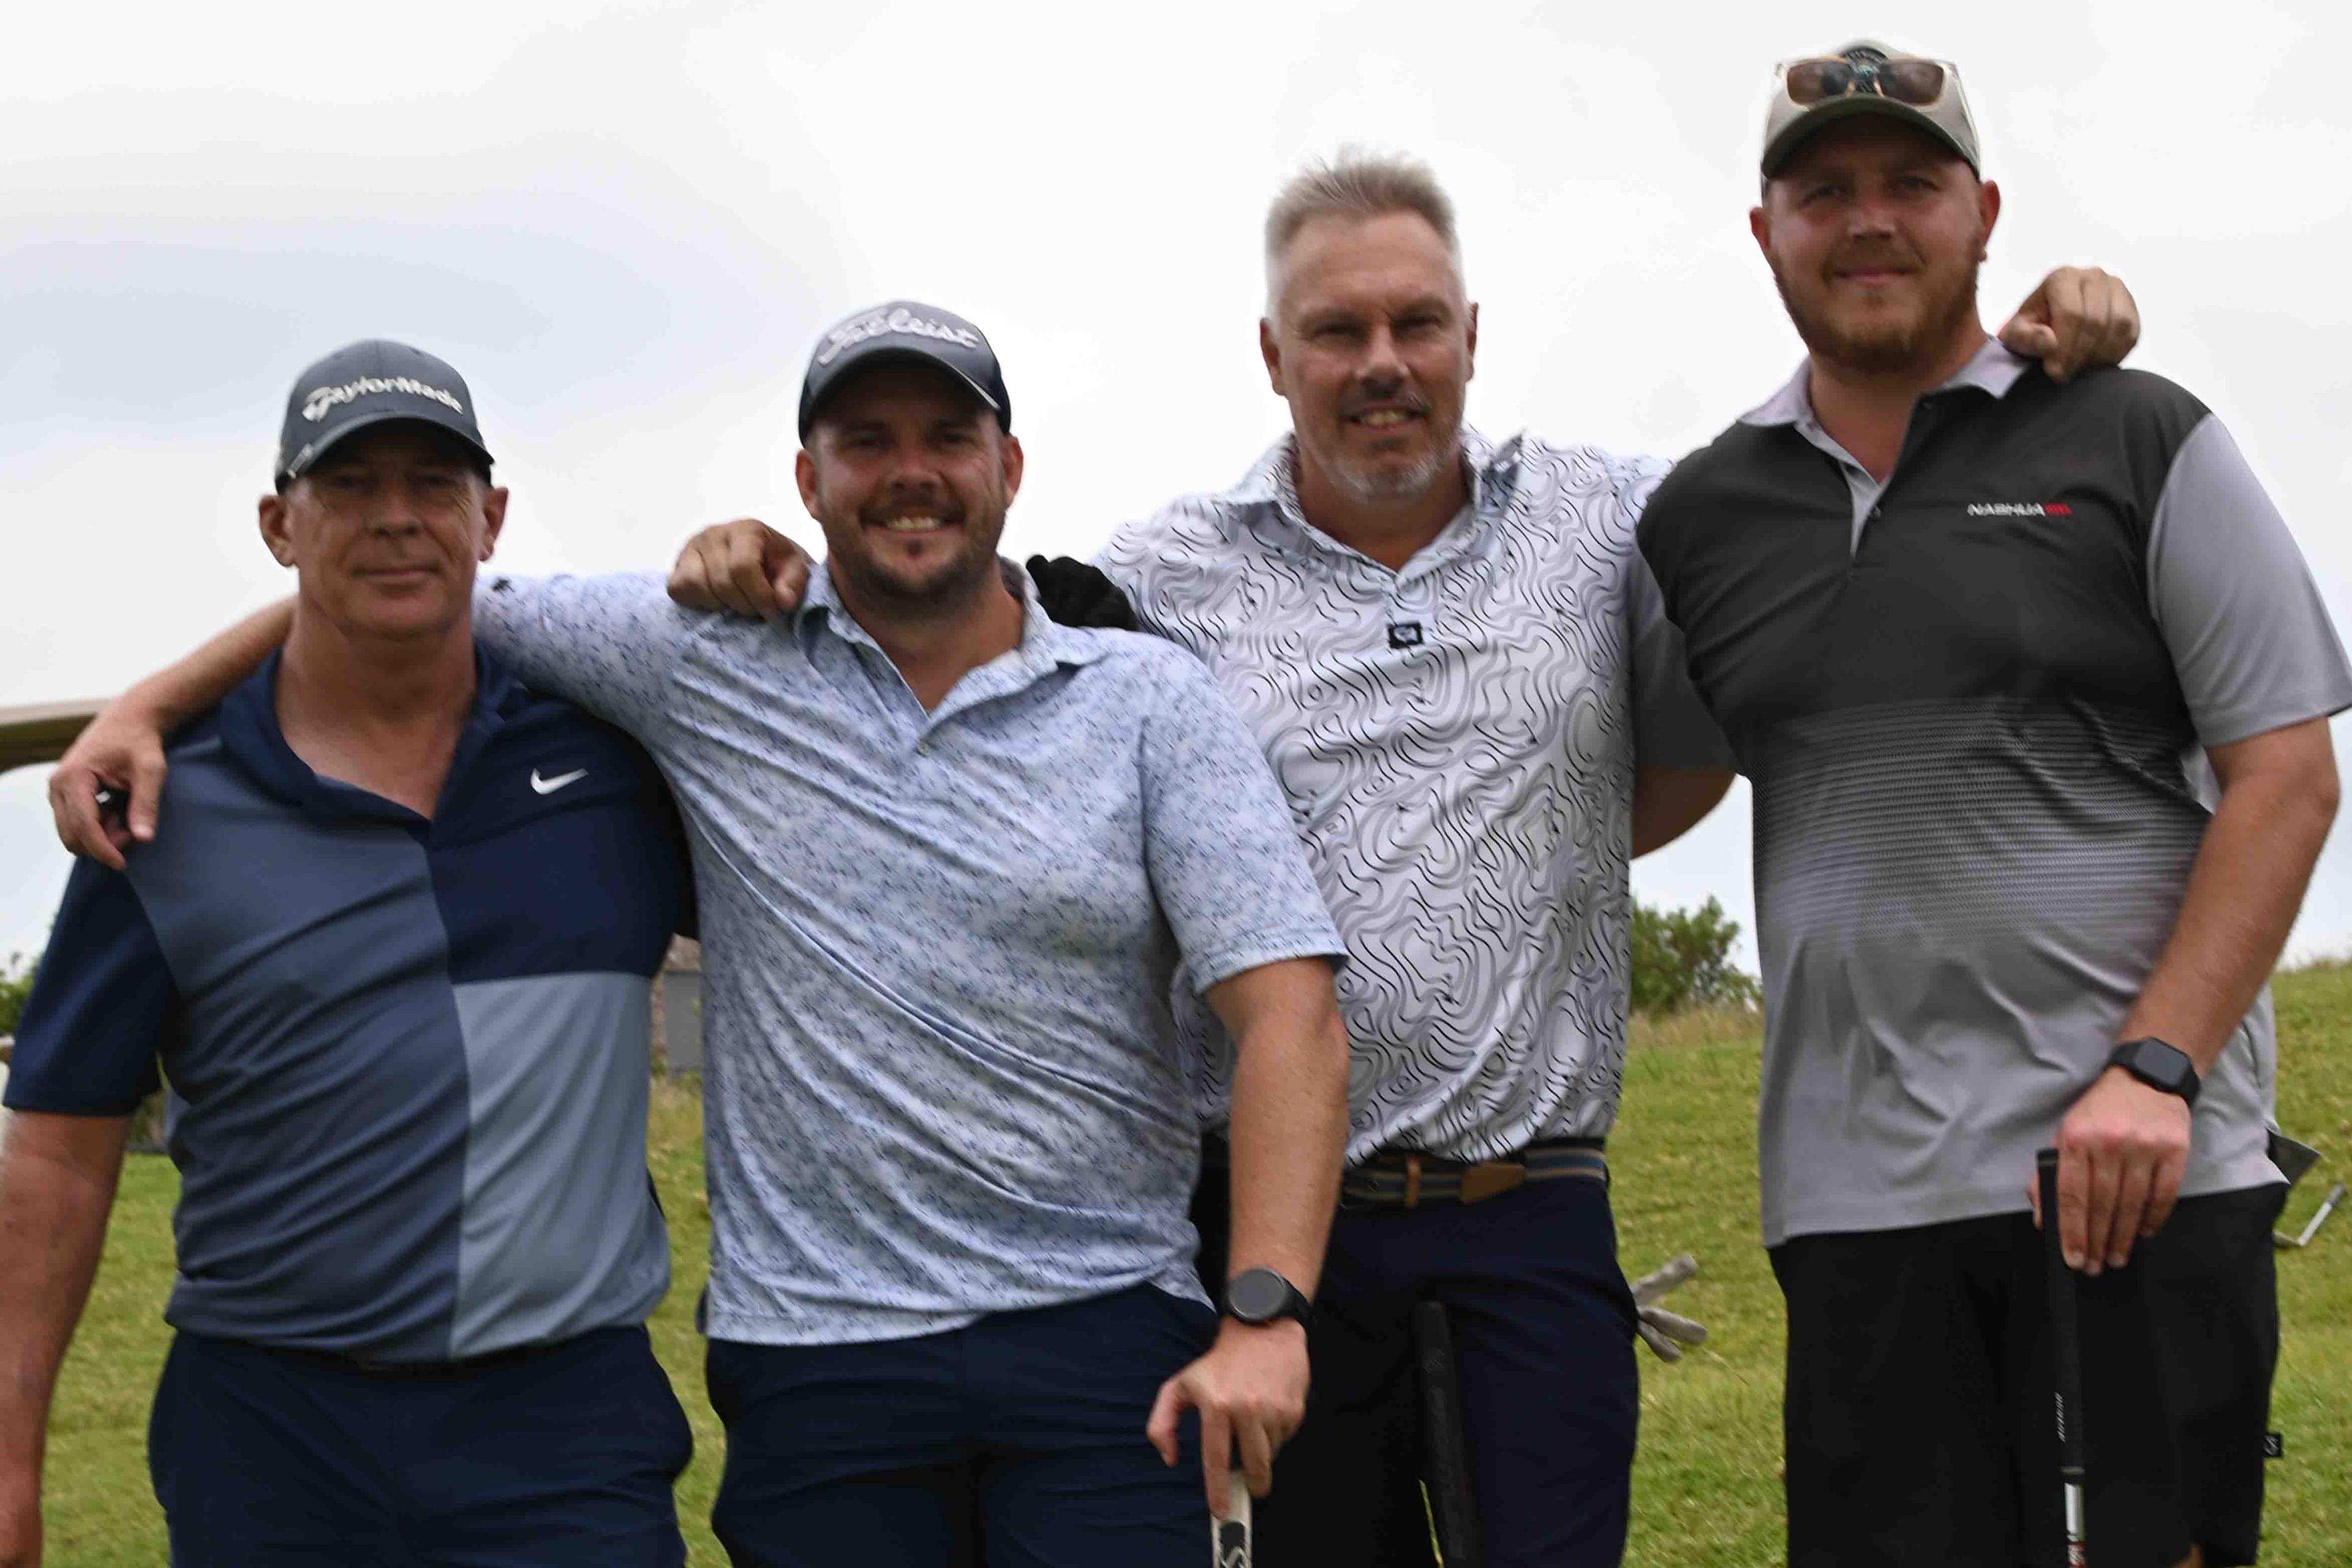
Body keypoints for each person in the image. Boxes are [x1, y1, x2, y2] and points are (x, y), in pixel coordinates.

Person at [660, 163, 2141, 1566]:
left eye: (1417, 323)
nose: (1382, 360)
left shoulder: (1612, 518)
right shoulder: (1149, 575)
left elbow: (1826, 469)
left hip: (1530, 1206)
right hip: (1260, 1230)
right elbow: (943, 625)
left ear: (1473, 338)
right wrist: (749, 557)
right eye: (1337, 329)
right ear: (1272, 352)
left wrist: (2013, 351)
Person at [47, 304, 1354, 1568]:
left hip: (1103, 1329)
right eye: (866, 442)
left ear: (1008, 466)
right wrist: (150, 703)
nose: (911, 474)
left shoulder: (1147, 703)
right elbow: (397, 584)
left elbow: (1287, 1013)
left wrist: (1266, 1309)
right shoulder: (700, 656)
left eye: (947, 437)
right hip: (819, 1351)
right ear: (809, 477)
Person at [1635, 40, 2348, 1568]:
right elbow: (1650, 791)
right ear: (1765, 234)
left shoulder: (2139, 433)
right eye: (1824, 191)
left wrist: (2155, 1068)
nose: (1870, 220)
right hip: (1853, 1205)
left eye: (1912, 183)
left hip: (2139, 1174)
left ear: (1985, 211)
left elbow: (2287, 774)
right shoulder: (1704, 515)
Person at [0, 341, 699, 1567]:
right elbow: (58, 1153)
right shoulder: (163, 807)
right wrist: (10, 1455)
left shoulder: (615, 772)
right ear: (281, 523)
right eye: (350, 484)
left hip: (563, 1425)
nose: (395, 517)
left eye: (433, 483)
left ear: (492, 519)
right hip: (270, 1429)